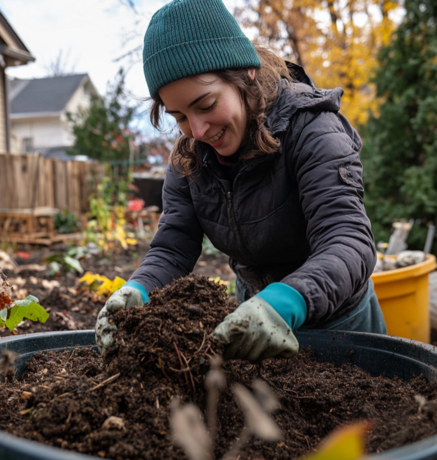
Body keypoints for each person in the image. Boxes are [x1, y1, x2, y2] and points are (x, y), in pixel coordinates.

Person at [95, 0, 387, 362]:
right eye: (180, 116)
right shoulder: (190, 156)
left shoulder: (312, 129)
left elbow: (348, 241)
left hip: (339, 325)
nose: (197, 130)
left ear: (245, 73)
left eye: (206, 104)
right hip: (251, 322)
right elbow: (173, 248)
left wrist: (285, 300)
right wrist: (138, 290)